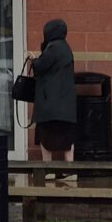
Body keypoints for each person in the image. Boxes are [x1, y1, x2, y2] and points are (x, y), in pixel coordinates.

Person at [26, 18, 78, 174]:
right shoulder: (65, 48)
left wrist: (34, 59)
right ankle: (69, 170)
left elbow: (41, 67)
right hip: (65, 105)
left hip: (50, 104)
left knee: (46, 136)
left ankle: (47, 169)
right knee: (67, 138)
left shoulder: (53, 48)